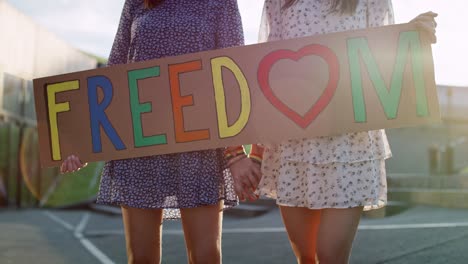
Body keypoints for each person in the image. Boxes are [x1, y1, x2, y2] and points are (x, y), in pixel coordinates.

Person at [60, 0, 261, 263]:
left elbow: (233, 73)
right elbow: (114, 72)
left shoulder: (220, 2)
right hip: (142, 146)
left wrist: (235, 153)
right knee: (141, 258)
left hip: (198, 147)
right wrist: (88, 141)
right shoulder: (136, 2)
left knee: (206, 256)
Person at [257, 1, 437, 263]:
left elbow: (381, 51)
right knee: (306, 258)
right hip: (295, 144)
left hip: (349, 144)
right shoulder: (278, 1)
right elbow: (266, 64)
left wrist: (412, 36)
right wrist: (256, 152)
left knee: (330, 256)